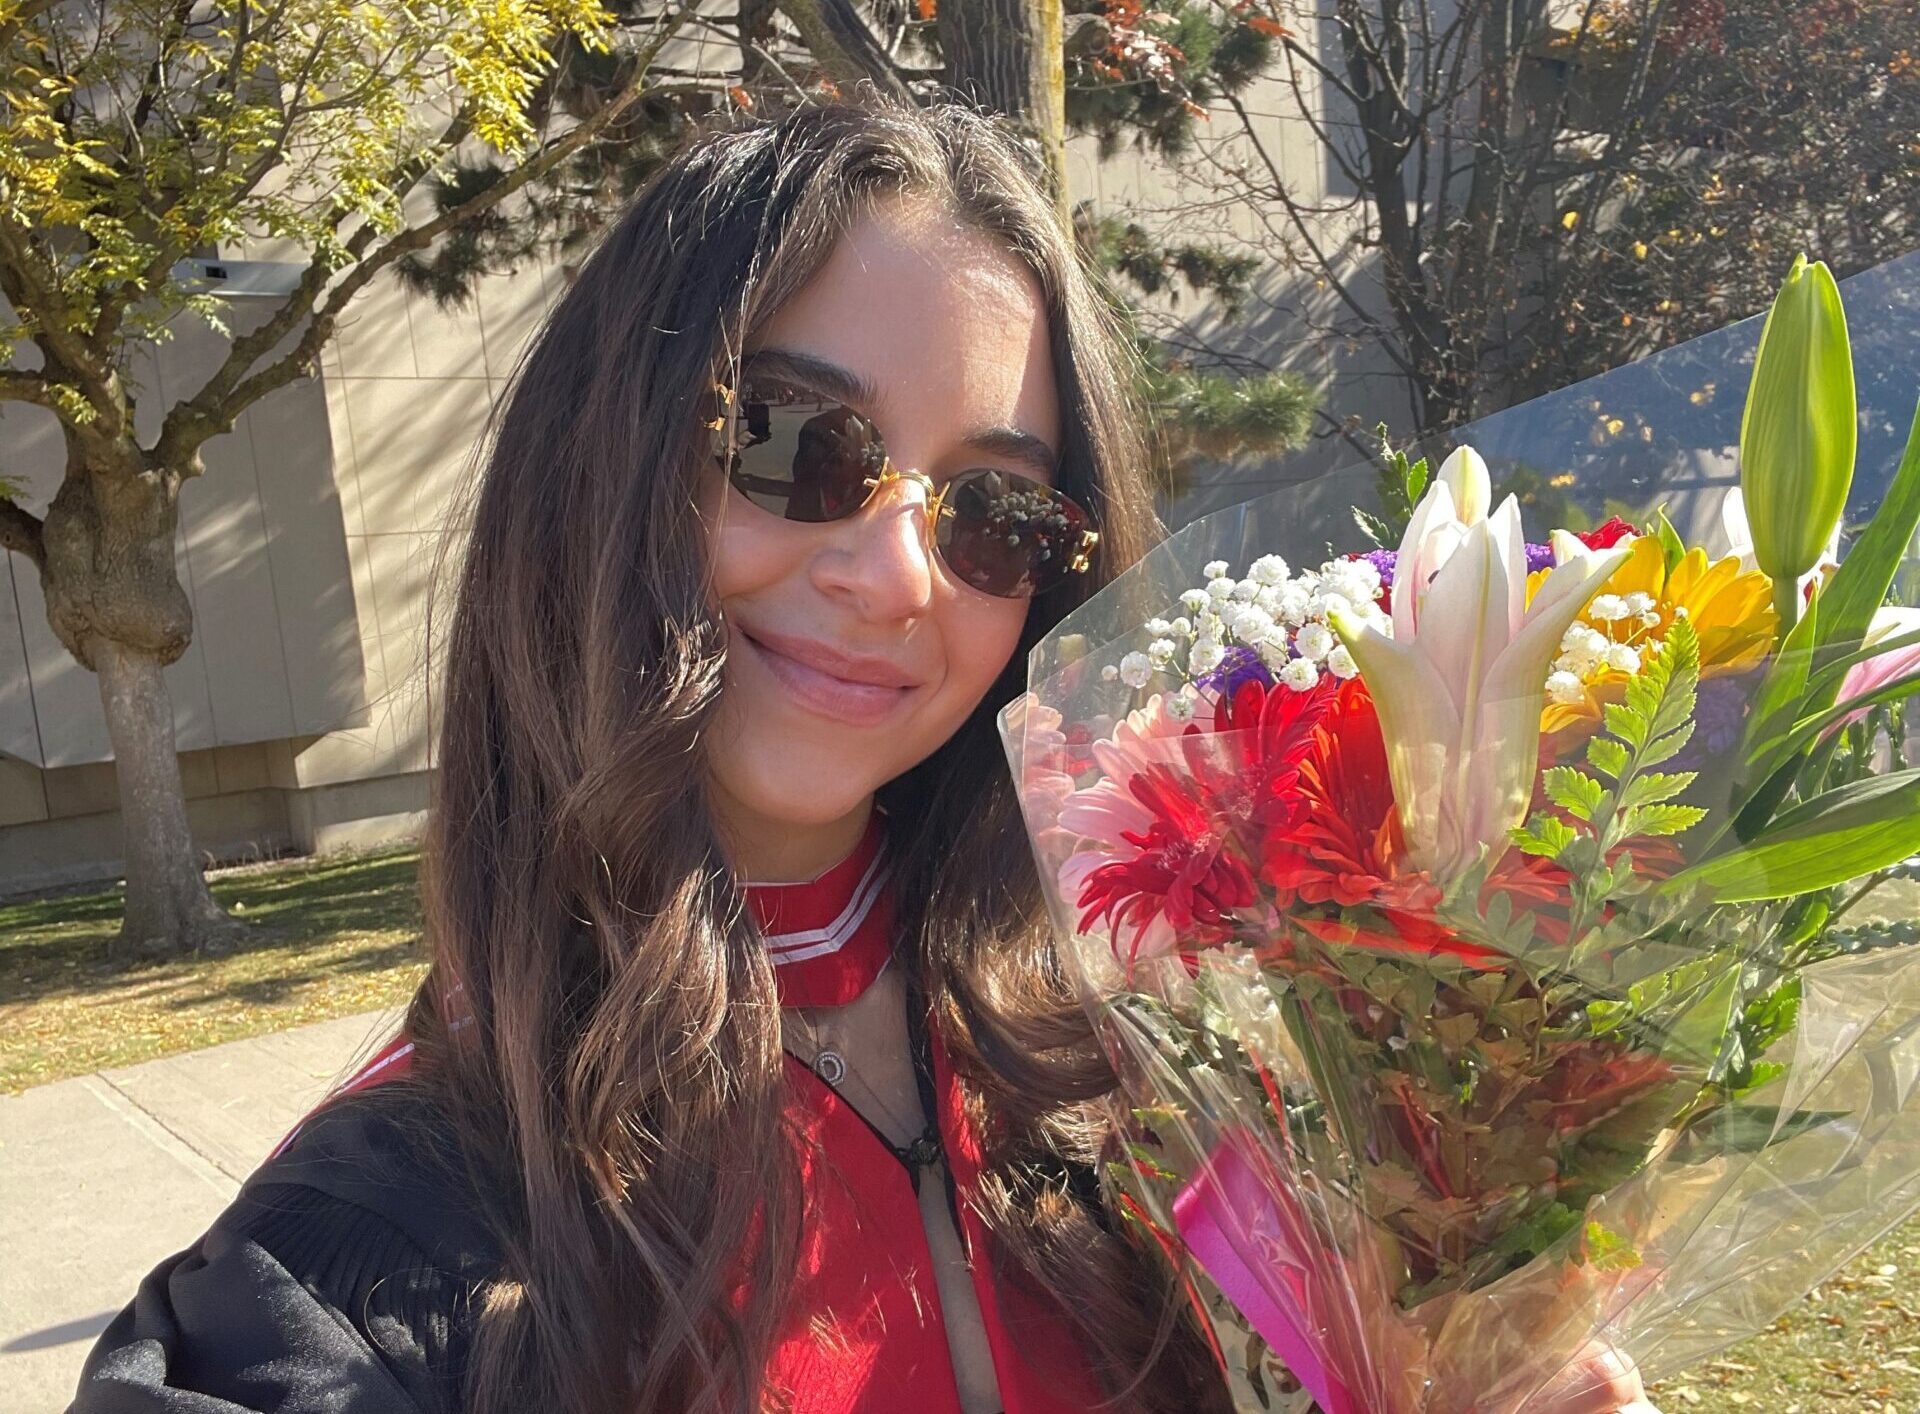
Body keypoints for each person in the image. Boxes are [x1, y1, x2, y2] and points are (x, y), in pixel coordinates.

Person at [70, 97, 1660, 1414]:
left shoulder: (1140, 1080)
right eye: (792, 440)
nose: (901, 579)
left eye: (997, 514)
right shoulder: (368, 1267)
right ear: (609, 453)